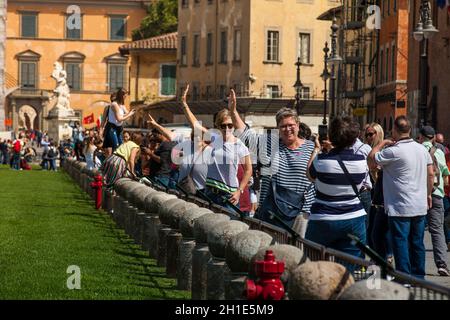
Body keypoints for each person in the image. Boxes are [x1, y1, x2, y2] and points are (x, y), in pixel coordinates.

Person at [232, 95, 314, 236]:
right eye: (283, 126)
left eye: (291, 125)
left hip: (301, 212)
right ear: (278, 128)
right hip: (272, 210)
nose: (287, 129)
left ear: (298, 126)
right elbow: (245, 136)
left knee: (298, 251)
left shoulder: (311, 147)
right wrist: (233, 111)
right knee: (272, 251)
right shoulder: (270, 144)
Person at [368, 116, 433, 279]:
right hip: (419, 204)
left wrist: (383, 143)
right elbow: (431, 173)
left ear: (394, 131)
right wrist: (429, 194)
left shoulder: (393, 151)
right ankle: (419, 276)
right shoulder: (422, 149)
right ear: (410, 130)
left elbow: (370, 160)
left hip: (400, 206)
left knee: (400, 241)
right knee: (417, 242)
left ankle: (404, 276)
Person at [305, 117, 367, 269]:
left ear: (331, 137)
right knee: (347, 271)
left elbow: (310, 175)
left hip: (323, 220)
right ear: (354, 138)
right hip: (354, 219)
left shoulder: (321, 161)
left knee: (316, 266)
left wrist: (317, 149)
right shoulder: (361, 161)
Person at [181, 86, 252, 211]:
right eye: (223, 125)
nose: (227, 129)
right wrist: (184, 105)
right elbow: (196, 125)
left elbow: (248, 170)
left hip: (229, 195)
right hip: (210, 193)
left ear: (234, 126)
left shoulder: (239, 145)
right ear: (218, 126)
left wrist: (239, 191)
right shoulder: (215, 139)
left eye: (230, 125)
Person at [147, 113, 212, 195]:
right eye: (195, 135)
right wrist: (155, 125)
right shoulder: (187, 144)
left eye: (200, 135)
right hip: (186, 190)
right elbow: (170, 134)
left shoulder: (211, 151)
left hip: (204, 192)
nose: (197, 137)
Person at [419, 126, 450, 276]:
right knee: (437, 230)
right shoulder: (439, 152)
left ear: (420, 137)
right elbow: (445, 175)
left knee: (416, 230)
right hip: (437, 194)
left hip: (417, 195)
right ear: (433, 138)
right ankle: (442, 264)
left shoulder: (417, 150)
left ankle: (416, 265)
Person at [364, 123, 394, 265]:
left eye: (371, 134)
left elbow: (378, 174)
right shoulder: (366, 149)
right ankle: (379, 258)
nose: (368, 137)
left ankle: (387, 257)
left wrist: (374, 173)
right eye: (367, 134)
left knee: (379, 230)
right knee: (372, 230)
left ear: (379, 134)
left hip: (382, 194)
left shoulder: (385, 150)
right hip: (372, 193)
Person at [103, 88, 135, 157]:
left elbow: (127, 116)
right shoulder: (114, 105)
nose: (126, 98)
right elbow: (119, 119)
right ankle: (112, 164)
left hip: (119, 128)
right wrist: (129, 114)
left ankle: (116, 163)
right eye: (125, 96)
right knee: (116, 147)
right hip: (112, 128)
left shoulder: (122, 105)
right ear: (122, 96)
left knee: (121, 147)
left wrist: (130, 113)